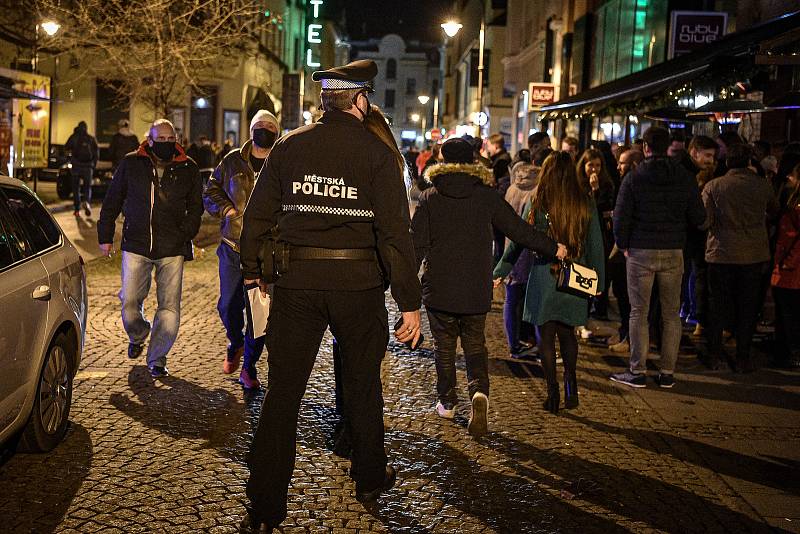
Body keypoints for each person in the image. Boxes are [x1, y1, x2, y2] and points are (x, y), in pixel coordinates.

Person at [237, 60, 422, 532]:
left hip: (297, 283)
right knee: (362, 386)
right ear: (360, 101)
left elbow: (257, 216)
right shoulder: (377, 154)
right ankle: (369, 476)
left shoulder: (289, 146)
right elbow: (394, 236)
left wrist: (255, 272)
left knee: (283, 395)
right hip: (358, 287)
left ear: (326, 101)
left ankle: (264, 504)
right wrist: (410, 302)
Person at [413, 137, 565, 433]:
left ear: (442, 161)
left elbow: (415, 246)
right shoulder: (486, 196)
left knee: (444, 349)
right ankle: (479, 391)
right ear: (473, 161)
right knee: (475, 345)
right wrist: (552, 247)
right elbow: (519, 231)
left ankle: (447, 402)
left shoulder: (431, 196)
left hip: (440, 287)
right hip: (475, 286)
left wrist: (405, 285)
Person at [495, 151, 604, 413]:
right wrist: (598, 279)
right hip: (575, 275)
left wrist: (501, 269)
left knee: (545, 336)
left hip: (545, 274)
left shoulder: (540, 202)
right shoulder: (584, 202)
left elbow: (521, 238)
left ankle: (552, 392)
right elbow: (596, 244)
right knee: (568, 333)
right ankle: (571, 385)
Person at [97, 119, 203, 378]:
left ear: (176, 140)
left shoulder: (188, 167)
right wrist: (105, 235)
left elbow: (196, 206)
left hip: (172, 248)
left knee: (169, 307)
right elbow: (113, 199)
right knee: (130, 301)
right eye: (161, 139)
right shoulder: (132, 163)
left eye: (171, 139)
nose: (166, 144)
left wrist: (186, 232)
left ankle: (157, 357)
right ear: (150, 140)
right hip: (137, 243)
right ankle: (138, 333)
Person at [610, 126, 705, 388]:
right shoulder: (684, 177)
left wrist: (623, 244)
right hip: (673, 249)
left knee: (638, 312)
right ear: (670, 146)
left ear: (645, 148)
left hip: (640, 249)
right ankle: (667, 372)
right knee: (671, 314)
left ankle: (637, 370)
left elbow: (620, 216)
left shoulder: (634, 177)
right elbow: (699, 217)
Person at [203, 110, 280, 389]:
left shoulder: (282, 162)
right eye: (259, 126)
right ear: (250, 131)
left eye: (270, 127)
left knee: (259, 313)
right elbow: (210, 190)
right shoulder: (232, 160)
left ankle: (248, 367)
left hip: (265, 252)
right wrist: (227, 209)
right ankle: (235, 342)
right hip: (232, 246)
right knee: (227, 304)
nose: (264, 130)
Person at [701, 143, 779, 372]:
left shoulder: (714, 186)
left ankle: (716, 354)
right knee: (748, 306)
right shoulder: (762, 186)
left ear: (727, 163)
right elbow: (774, 211)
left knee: (717, 305)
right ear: (748, 162)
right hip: (753, 255)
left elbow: (704, 219)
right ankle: (742, 356)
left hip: (721, 253)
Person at [499, 157, 539, 357]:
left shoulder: (512, 189)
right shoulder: (537, 192)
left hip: (511, 248)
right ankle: (538, 344)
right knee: (534, 300)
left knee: (511, 299)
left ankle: (513, 343)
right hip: (531, 251)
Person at [606, 149, 644, 353]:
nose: (619, 167)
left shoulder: (631, 182)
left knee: (627, 296)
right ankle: (625, 334)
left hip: (629, 248)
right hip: (634, 246)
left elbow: (622, 216)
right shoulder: (627, 180)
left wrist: (621, 244)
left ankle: (629, 339)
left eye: (623, 163)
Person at [577, 148, 615, 323]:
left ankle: (597, 306)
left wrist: (596, 190)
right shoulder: (577, 184)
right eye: (590, 165)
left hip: (601, 233)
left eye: (598, 165)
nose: (594, 169)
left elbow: (604, 208)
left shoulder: (607, 185)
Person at [771, 162, 800, 368]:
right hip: (788, 265)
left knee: (789, 313)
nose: (789, 178)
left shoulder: (796, 206)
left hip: (792, 269)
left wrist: (787, 262)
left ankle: (791, 353)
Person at [65, 120, 98, 217]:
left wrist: (70, 159)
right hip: (88, 167)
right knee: (87, 187)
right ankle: (87, 202)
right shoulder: (91, 139)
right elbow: (96, 153)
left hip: (76, 166)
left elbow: (66, 147)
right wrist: (93, 165)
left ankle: (77, 209)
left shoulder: (74, 137)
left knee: (76, 188)